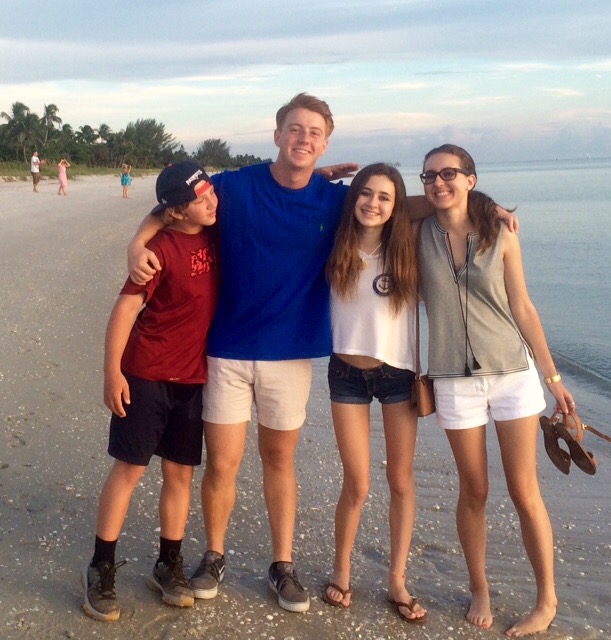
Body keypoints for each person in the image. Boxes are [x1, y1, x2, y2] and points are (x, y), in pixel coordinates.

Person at [127, 93, 516, 614]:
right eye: (295, 129)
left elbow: (413, 205)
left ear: (326, 143)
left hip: (291, 355)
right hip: (226, 350)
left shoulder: (336, 201)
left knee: (279, 460)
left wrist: (486, 205)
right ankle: (213, 556)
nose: (303, 138)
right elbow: (176, 205)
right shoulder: (236, 187)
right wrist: (138, 242)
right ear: (277, 134)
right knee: (222, 464)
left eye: (314, 132)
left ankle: (282, 565)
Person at [417, 144, 574, 637]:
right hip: (453, 380)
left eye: (449, 174)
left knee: (524, 491)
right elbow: (392, 204)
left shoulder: (500, 234)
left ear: (471, 178)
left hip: (512, 375)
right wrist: (486, 201)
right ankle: (479, 587)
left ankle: (546, 599)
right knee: (474, 490)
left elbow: (522, 307)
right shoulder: (418, 233)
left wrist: (553, 378)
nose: (438, 182)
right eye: (429, 176)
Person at [82, 161, 219, 622]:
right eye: (201, 199)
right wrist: (112, 374)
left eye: (211, 192)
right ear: (176, 211)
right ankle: (100, 568)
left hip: (192, 379)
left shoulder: (216, 231)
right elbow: (125, 311)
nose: (212, 202)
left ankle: (168, 564)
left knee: (180, 474)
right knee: (130, 469)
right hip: (146, 375)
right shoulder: (157, 251)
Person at [323, 163, 426, 623]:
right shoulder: (335, 241)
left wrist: (489, 208)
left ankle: (397, 580)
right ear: (354, 197)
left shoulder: (408, 244)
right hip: (346, 373)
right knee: (358, 483)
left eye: (385, 197)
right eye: (365, 193)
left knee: (400, 480)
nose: (372, 203)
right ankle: (341, 570)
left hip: (398, 374)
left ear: (397, 205)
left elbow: (440, 205)